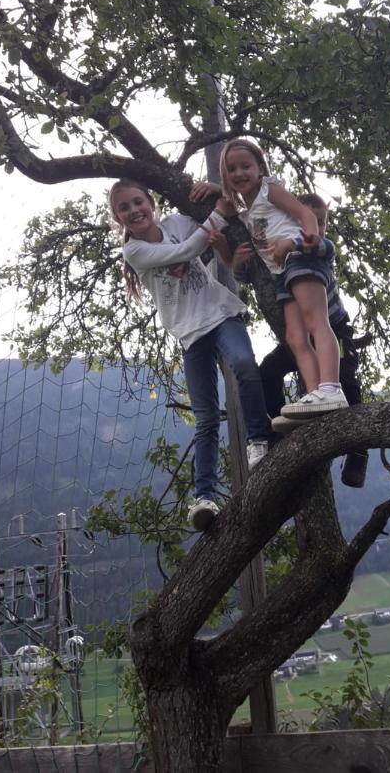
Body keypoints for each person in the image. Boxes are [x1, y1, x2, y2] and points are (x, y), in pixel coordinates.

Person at [108, 178, 270, 532]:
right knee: (207, 417)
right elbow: (187, 250)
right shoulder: (133, 252)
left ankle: (258, 439)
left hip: (222, 313)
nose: (134, 210)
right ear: (117, 217)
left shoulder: (178, 224)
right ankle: (204, 496)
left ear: (151, 202)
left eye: (138, 202)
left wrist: (215, 191)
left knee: (244, 364)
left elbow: (223, 221)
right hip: (190, 333)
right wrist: (215, 216)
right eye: (124, 207)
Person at [217, 138, 348, 419]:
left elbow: (303, 214)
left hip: (300, 258)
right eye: (232, 169)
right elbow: (235, 260)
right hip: (282, 274)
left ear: (260, 168)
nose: (239, 173)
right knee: (294, 336)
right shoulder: (246, 212)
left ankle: (331, 388)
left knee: (316, 321)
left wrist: (303, 240)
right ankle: (316, 398)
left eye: (245, 166)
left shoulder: (269, 190)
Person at [258, 194, 369, 488]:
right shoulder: (285, 260)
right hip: (301, 340)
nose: (316, 228)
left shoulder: (319, 250)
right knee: (267, 371)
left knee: (345, 379)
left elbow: (321, 244)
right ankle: (278, 430)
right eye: (309, 221)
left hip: (334, 331)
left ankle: (358, 453)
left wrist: (295, 242)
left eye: (322, 222)